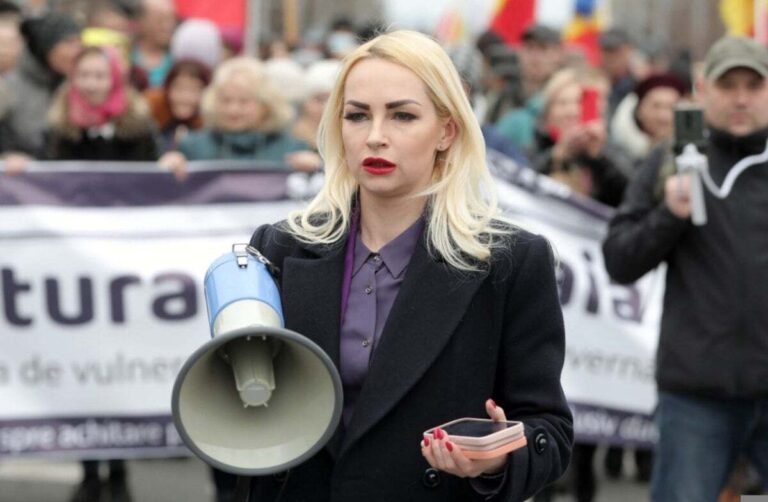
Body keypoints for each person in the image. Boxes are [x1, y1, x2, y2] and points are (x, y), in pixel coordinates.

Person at [245, 29, 572, 501]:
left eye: (402, 115)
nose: (375, 137)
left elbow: (549, 432)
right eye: (357, 115)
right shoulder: (280, 247)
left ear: (446, 131)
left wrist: (497, 459)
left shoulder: (510, 262)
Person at [602, 35, 768, 502]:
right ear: (703, 89)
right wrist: (669, 215)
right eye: (728, 85)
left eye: (753, 86)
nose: (740, 98)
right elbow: (619, 259)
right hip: (696, 396)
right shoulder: (671, 159)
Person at [45, 46, 158, 161]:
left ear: (115, 79)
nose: (91, 85)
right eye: (83, 75)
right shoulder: (60, 125)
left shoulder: (138, 124)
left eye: (100, 76)